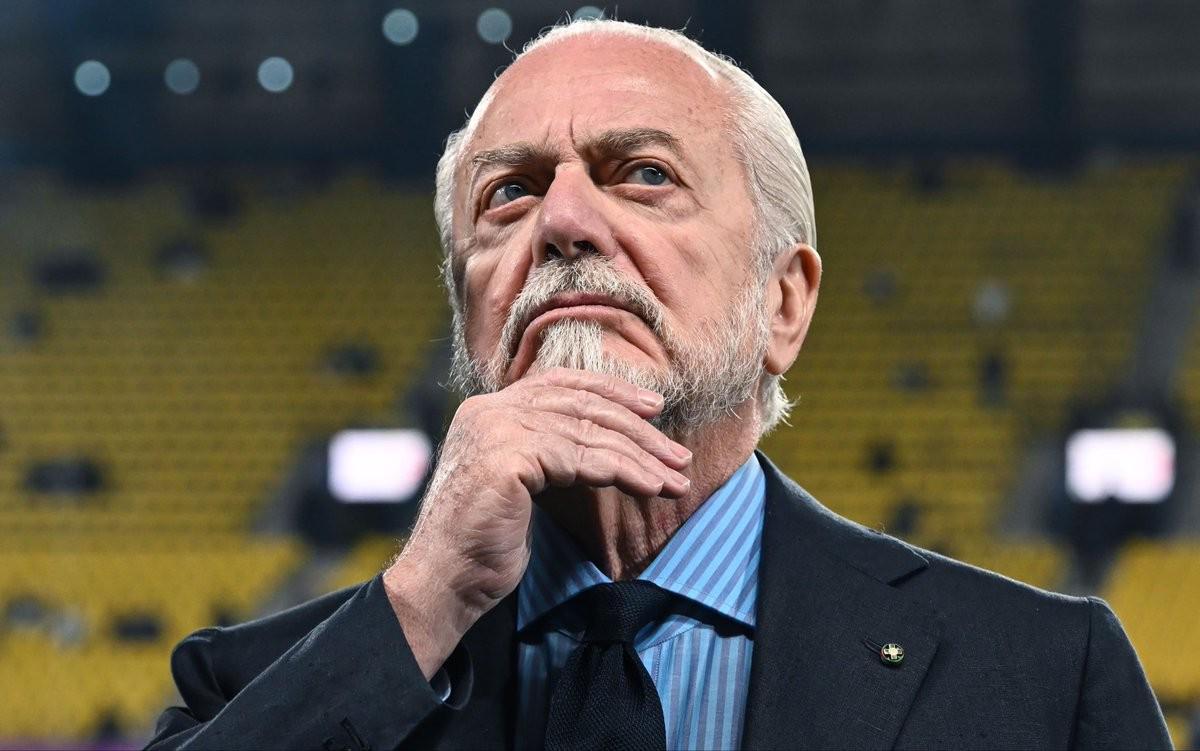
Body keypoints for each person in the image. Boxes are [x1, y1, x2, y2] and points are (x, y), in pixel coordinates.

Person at [147, 19, 1170, 751]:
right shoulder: (246, 688)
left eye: (643, 174)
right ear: (468, 314)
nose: (563, 223)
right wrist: (424, 603)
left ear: (783, 303)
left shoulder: (1044, 679)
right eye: (510, 193)